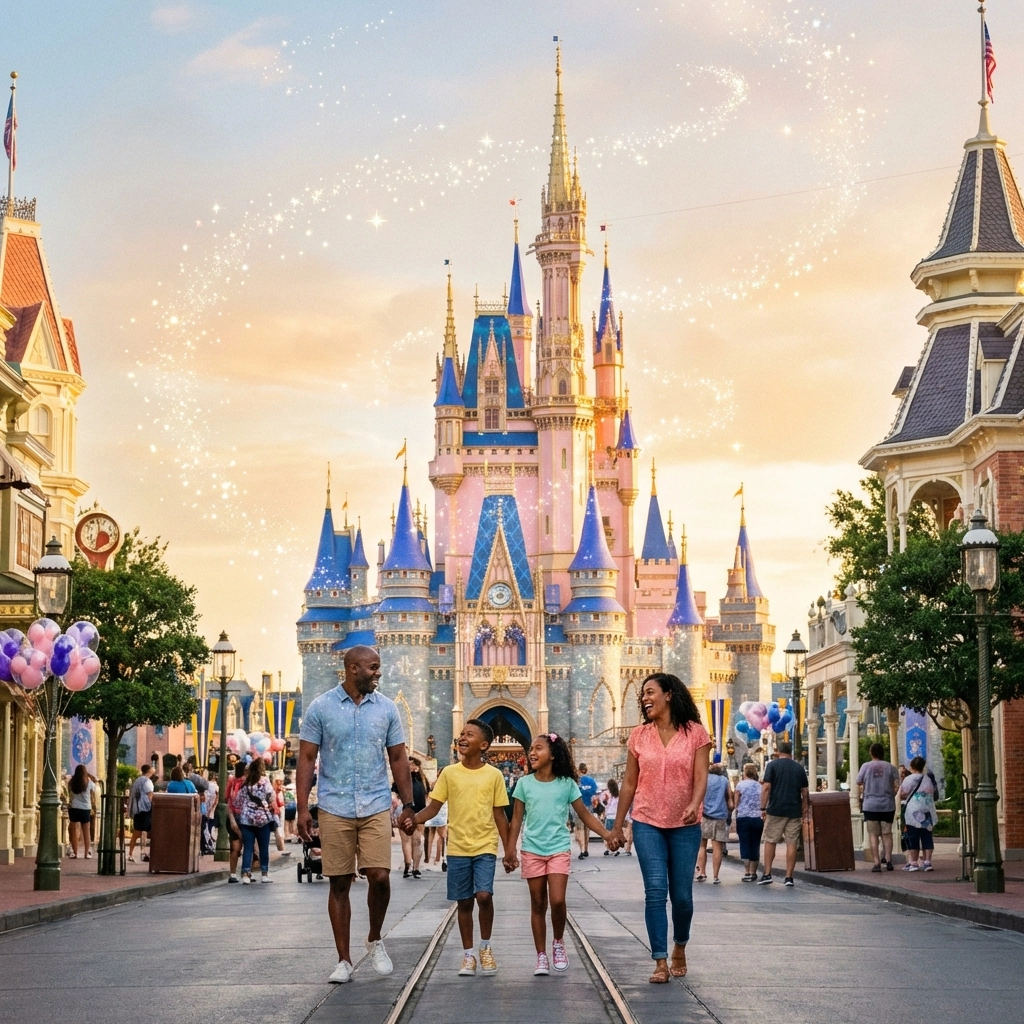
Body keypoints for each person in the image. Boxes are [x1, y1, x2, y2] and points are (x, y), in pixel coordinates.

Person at [297, 646, 416, 984]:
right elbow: (307, 758)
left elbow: (398, 758)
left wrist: (408, 804)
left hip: (375, 803)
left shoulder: (387, 708)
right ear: (353, 668)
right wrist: (303, 808)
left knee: (380, 876)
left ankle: (374, 938)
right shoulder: (321, 707)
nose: (378, 673)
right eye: (373, 667)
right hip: (334, 806)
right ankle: (344, 960)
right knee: (339, 882)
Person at [612, 673, 712, 984]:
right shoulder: (639, 736)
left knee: (681, 896)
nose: (645, 698)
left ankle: (680, 945)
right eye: (643, 694)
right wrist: (617, 825)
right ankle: (660, 960)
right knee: (655, 891)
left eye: (650, 692)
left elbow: (701, 776)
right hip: (647, 821)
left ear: (669, 694)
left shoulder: (696, 733)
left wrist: (694, 804)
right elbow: (629, 783)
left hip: (685, 824)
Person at [505, 733, 617, 976]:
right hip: (532, 849)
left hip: (558, 848)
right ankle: (541, 955)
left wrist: (607, 835)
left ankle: (557, 942)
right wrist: (510, 851)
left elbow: (584, 814)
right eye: (531, 749)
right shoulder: (524, 784)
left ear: (553, 755)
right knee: (537, 903)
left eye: (538, 748)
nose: (532, 753)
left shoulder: (567, 784)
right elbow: (516, 819)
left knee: (557, 900)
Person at [410, 719, 513, 978]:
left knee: (484, 896)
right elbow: (434, 807)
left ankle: (485, 947)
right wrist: (414, 819)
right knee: (464, 901)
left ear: (484, 745)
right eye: (461, 734)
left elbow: (500, 814)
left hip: (485, 846)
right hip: (457, 848)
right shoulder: (449, 773)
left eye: (469, 735)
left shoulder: (494, 775)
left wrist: (509, 850)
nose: (462, 738)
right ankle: (468, 955)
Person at [758, 742, 809, 887]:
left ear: (778, 752)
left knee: (770, 840)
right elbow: (805, 791)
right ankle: (789, 877)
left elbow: (766, 787)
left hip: (776, 809)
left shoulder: (772, 766)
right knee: (791, 843)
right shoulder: (799, 767)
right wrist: (805, 809)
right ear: (790, 752)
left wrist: (763, 807)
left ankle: (767, 873)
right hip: (794, 810)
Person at [230, 757, 277, 884]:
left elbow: (237, 802)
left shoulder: (246, 784)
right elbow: (271, 797)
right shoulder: (265, 782)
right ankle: (264, 874)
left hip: (247, 821)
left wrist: (246, 808)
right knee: (263, 848)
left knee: (248, 848)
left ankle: (245, 874)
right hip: (263, 820)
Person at [856, 743, 900, 872]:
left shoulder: (865, 766)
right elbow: (897, 785)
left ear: (871, 753)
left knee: (873, 834)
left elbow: (858, 781)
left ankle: (876, 862)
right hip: (887, 804)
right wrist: (891, 794)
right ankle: (888, 860)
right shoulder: (890, 767)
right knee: (887, 833)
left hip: (870, 804)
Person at [695, 763, 732, 883]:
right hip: (720, 817)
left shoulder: (704, 778)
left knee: (702, 846)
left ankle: (702, 872)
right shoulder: (724, 780)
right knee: (717, 848)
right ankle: (716, 876)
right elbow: (730, 799)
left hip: (704, 816)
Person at [900, 756, 937, 871]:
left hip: (913, 812)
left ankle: (913, 863)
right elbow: (932, 793)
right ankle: (927, 862)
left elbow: (903, 794)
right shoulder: (927, 779)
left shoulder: (909, 779)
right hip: (927, 811)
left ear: (911, 766)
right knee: (927, 836)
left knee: (913, 836)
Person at [399, 757, 429, 878]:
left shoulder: (422, 780)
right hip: (408, 812)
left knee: (416, 841)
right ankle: (409, 865)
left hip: (418, 813)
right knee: (409, 841)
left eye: (412, 764)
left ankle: (414, 867)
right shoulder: (404, 779)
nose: (410, 766)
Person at [734, 763, 764, 881]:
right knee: (755, 844)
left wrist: (736, 811)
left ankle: (746, 871)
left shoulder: (740, 785)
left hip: (743, 817)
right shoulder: (759, 786)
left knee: (744, 843)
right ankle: (753, 872)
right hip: (757, 818)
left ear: (745, 772)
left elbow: (736, 802)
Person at [67, 765, 97, 859]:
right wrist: (89, 776)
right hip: (85, 809)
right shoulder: (89, 782)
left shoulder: (72, 782)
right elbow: (94, 788)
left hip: (74, 808)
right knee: (86, 832)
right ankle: (86, 853)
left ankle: (75, 852)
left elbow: (69, 792)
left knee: (74, 832)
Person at [127, 764, 154, 863]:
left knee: (136, 832)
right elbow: (150, 795)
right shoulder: (148, 782)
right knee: (148, 831)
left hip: (136, 809)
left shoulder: (136, 781)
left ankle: (130, 854)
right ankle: (146, 853)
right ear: (149, 771)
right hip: (146, 808)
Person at [575, 763, 599, 859]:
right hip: (589, 806)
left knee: (580, 828)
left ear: (579, 770)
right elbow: (595, 793)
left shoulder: (577, 781)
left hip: (579, 806)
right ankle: (586, 849)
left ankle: (581, 850)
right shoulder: (591, 780)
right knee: (586, 828)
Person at [423, 798, 448, 872]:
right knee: (442, 837)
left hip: (432, 806)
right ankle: (441, 858)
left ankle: (428, 858)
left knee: (431, 835)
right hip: (442, 807)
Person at [602, 779, 620, 857]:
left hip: (609, 816)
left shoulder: (607, 794)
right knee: (615, 834)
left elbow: (603, 802)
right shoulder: (618, 795)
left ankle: (609, 848)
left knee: (608, 833)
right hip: (616, 816)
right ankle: (616, 849)